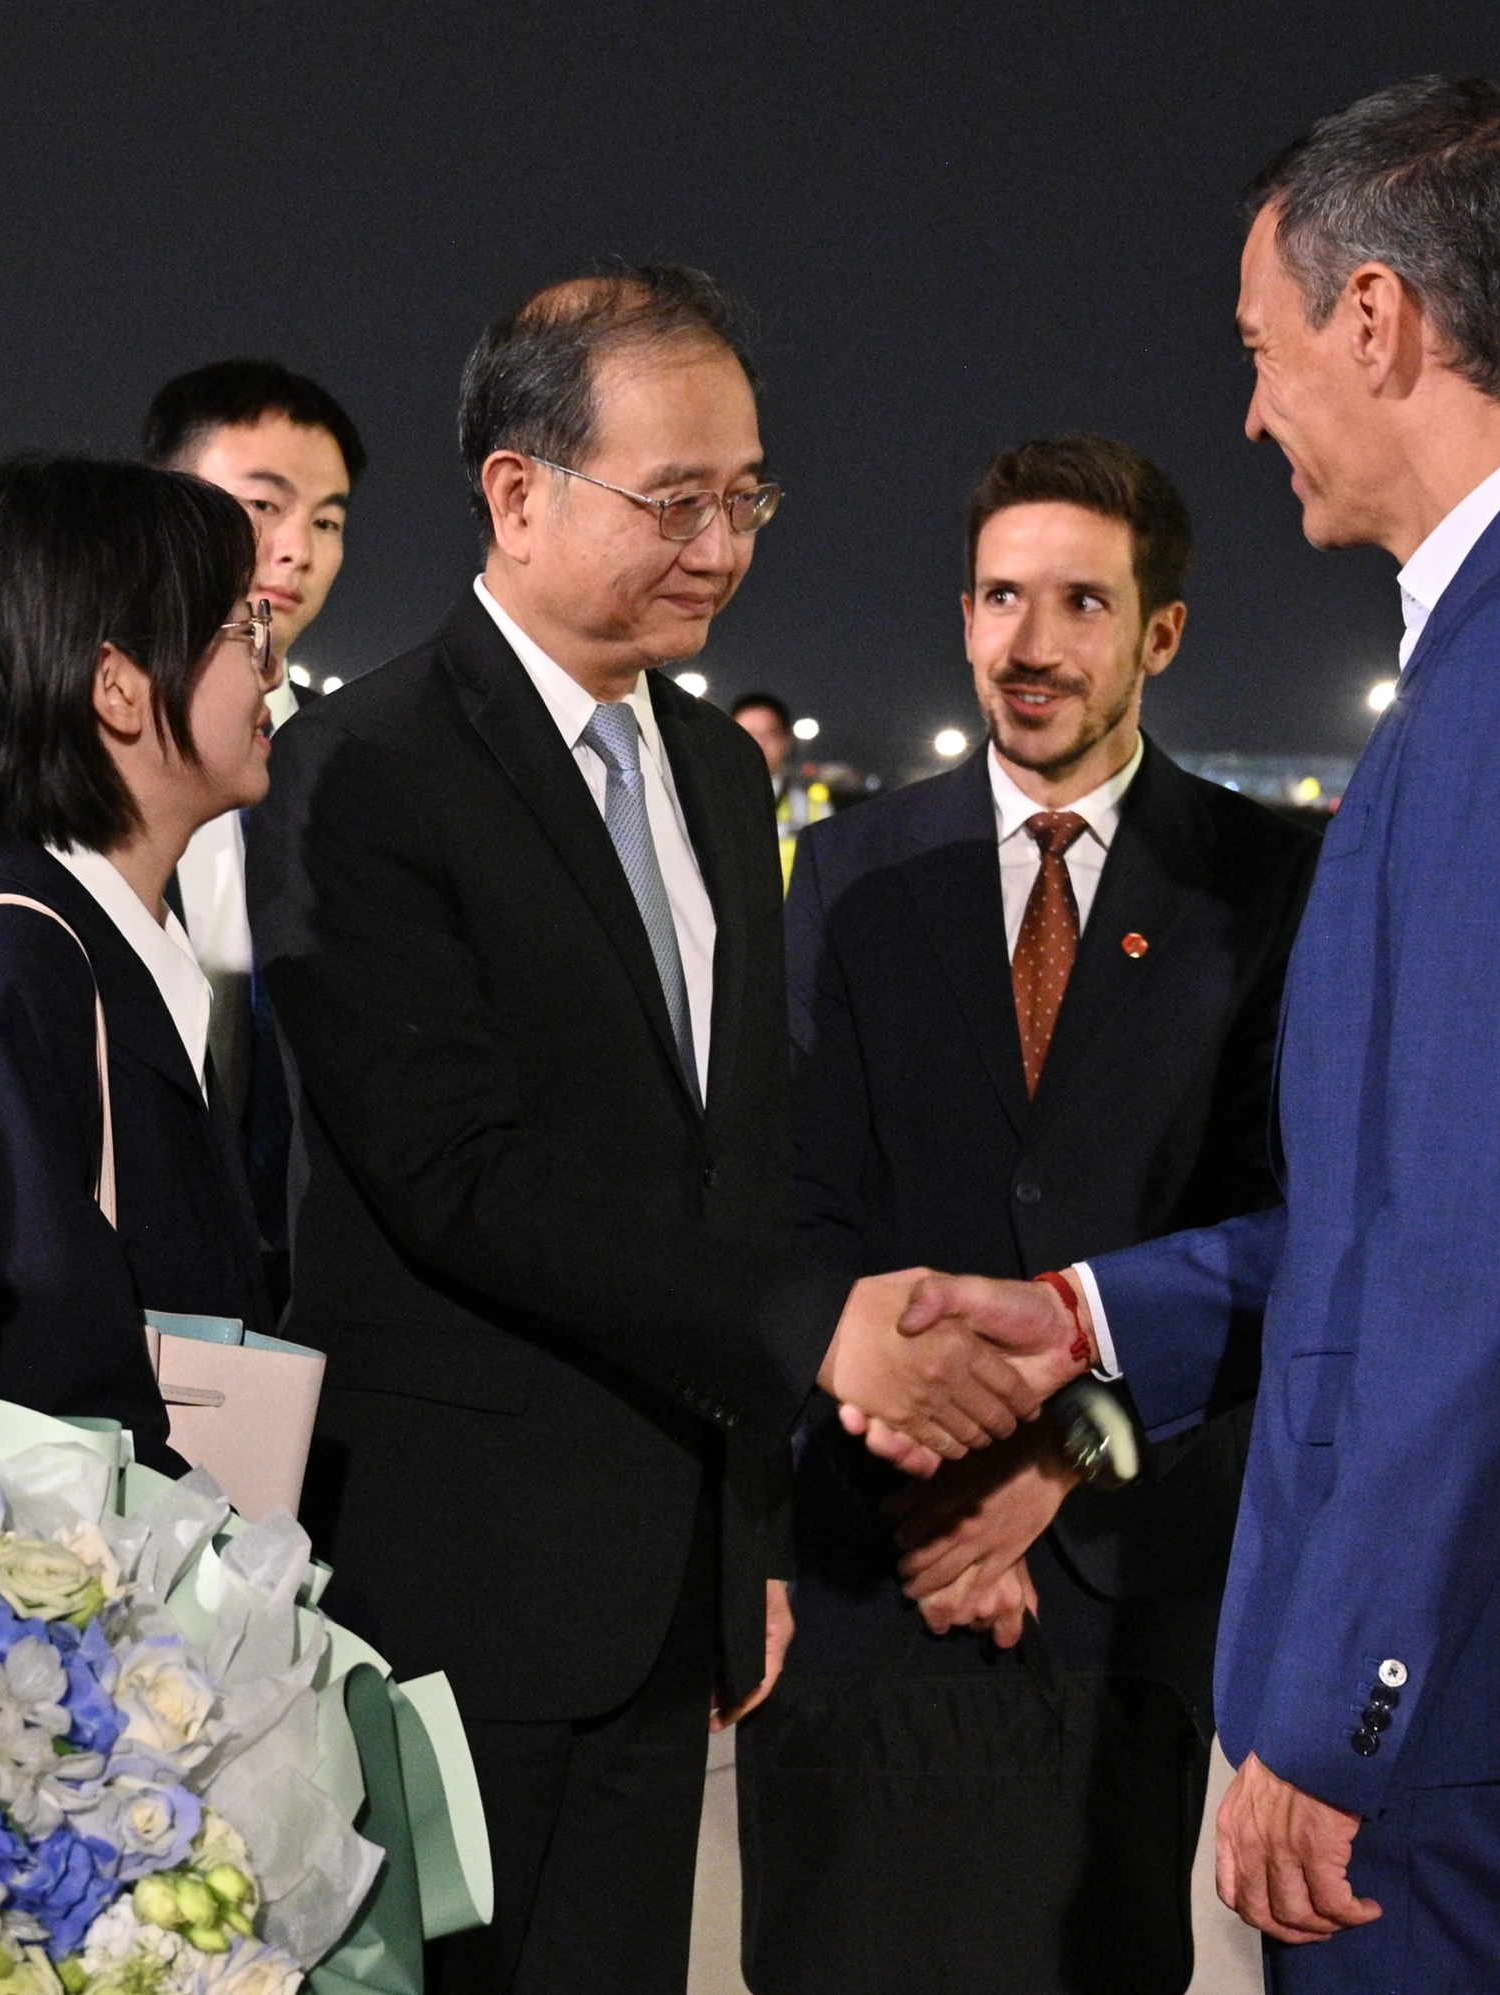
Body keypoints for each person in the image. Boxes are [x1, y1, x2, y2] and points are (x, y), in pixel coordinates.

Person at [891, 79, 1500, 1991]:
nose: (1252, 411)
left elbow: (1490, 1255)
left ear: (1377, 319)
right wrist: (1091, 1318)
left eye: (1264, 345)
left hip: (1472, 1672)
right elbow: (1445, 1210)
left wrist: (1347, 1703)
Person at [243, 263, 1064, 1994]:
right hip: (453, 1586)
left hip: (666, 1594)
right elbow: (454, 1177)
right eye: (673, 499)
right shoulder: (371, 770)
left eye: (746, 495)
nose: (721, 542)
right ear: (517, 492)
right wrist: (818, 1331)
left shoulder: (718, 774)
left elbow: (733, 1168)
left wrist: (744, 1540)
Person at [739, 436, 1316, 1994]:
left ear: (1162, 634)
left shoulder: (1268, 885)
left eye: (1078, 601)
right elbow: (789, 1205)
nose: (1030, 642)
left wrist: (1056, 1464)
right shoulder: (847, 873)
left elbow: (1285, 1239)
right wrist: (925, 1463)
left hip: (1110, 1580)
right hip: (874, 1561)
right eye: (1001, 596)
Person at [0, 455, 279, 1475]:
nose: (274, 672)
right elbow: (39, 1389)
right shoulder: (17, 966)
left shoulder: (112, 938)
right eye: (246, 633)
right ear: (119, 686)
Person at [144, 359, 369, 1309]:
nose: (296, 550)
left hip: (310, 1283)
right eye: (261, 507)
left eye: (326, 520)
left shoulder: (362, 769)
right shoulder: (80, 759)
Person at [731, 689, 830, 880]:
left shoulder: (816, 811)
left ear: (787, 741)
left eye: (769, 734)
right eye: (746, 733)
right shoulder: (703, 803)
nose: (757, 743)